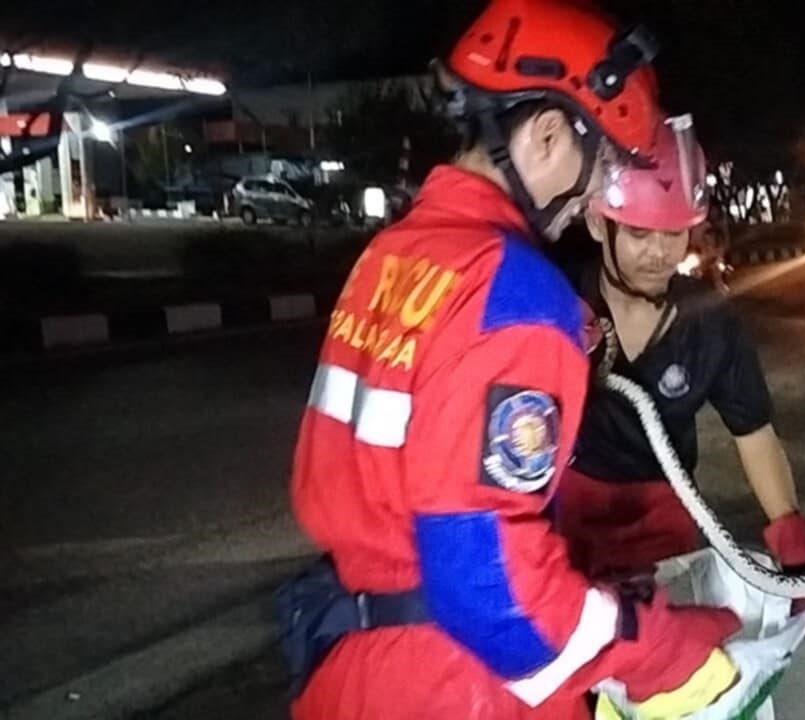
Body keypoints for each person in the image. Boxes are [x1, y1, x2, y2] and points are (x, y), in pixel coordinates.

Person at [283, 3, 759, 718]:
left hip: (347, 660)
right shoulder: (515, 291)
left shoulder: (391, 257)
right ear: (545, 135)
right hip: (456, 683)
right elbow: (494, 591)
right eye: (600, 165)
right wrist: (663, 648)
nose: (597, 196)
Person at [554, 117, 805, 628]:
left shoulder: (710, 320)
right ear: (599, 224)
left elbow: (755, 435)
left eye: (675, 233)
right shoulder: (554, 301)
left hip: (665, 523)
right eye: (639, 232)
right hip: (566, 522)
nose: (661, 254)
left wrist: (795, 545)